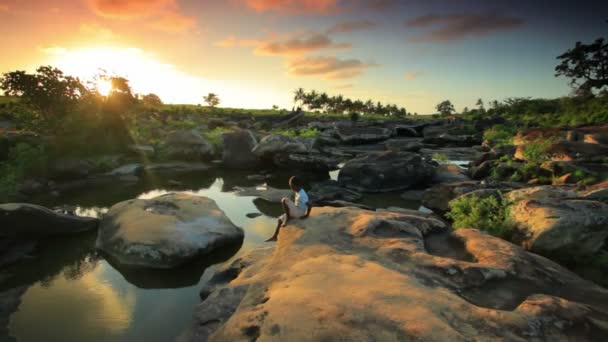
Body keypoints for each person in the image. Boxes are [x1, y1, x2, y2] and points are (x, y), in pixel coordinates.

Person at [265, 176, 310, 242]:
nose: (291, 188)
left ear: (296, 186)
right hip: (297, 210)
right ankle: (275, 237)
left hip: (300, 212)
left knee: (284, 200)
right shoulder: (298, 191)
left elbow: (309, 205)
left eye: (292, 186)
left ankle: (287, 218)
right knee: (280, 220)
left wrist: (306, 215)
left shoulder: (302, 195)